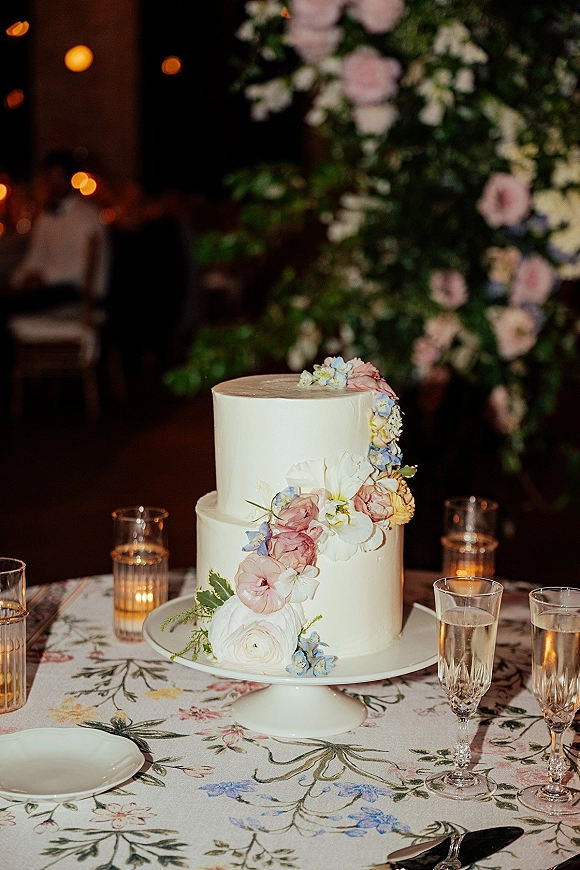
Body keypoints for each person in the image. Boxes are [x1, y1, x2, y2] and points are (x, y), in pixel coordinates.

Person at [8, 149, 110, 310]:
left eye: (59, 176)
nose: (54, 182)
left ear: (70, 178)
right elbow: (35, 258)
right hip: (51, 289)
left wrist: (43, 278)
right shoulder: (45, 217)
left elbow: (82, 267)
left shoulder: (87, 217)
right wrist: (17, 280)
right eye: (49, 177)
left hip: (77, 293)